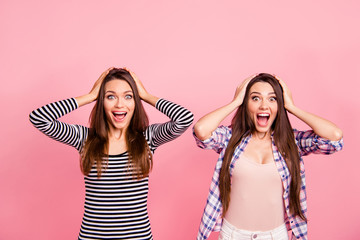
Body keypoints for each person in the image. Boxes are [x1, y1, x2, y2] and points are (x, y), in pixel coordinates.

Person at [29, 68, 194, 240]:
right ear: (102, 102)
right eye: (110, 96)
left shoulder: (147, 138)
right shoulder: (84, 138)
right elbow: (39, 118)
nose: (120, 104)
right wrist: (91, 96)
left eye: (128, 96)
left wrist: (145, 95)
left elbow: (184, 118)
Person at [193, 73, 343, 240]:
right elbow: (201, 130)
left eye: (272, 99)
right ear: (246, 103)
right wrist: (235, 102)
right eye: (255, 98)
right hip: (232, 235)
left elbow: (334, 137)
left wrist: (292, 107)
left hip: (275, 236)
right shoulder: (230, 139)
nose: (264, 105)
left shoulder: (292, 142)